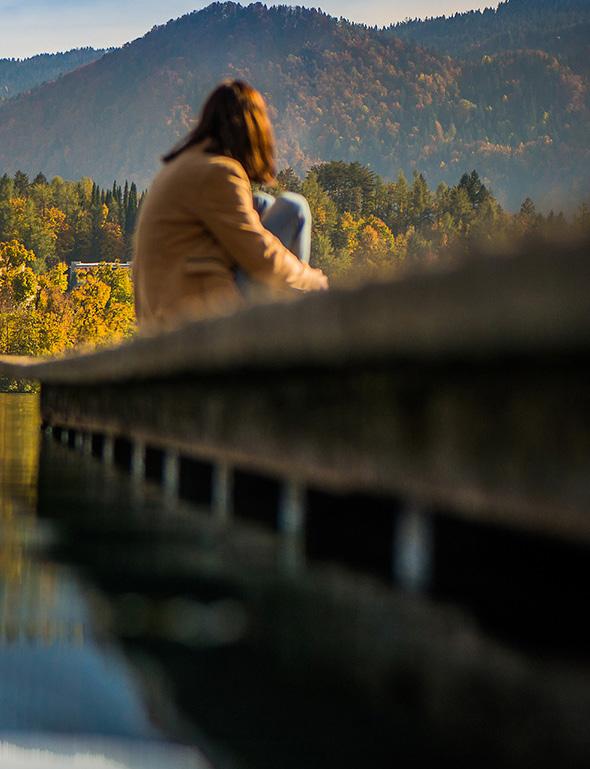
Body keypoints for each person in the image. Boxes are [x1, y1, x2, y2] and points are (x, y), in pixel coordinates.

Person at [133, 80, 328, 331]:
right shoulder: (218, 172)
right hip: (199, 317)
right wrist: (312, 281)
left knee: (261, 203)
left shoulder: (179, 167)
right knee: (293, 207)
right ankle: (299, 322)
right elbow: (260, 255)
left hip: (161, 316)